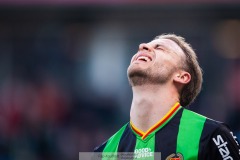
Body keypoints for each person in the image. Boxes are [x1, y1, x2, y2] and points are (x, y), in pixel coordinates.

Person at [94, 34, 240, 160]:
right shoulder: (103, 153)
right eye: (143, 46)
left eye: (159, 48)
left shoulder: (211, 135)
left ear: (181, 76)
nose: (142, 46)